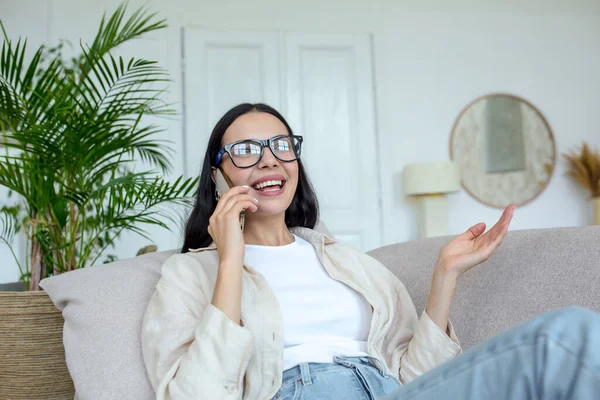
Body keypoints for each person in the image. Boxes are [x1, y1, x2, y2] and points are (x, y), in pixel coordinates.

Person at [141, 103, 600, 400]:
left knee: (570, 335)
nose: (268, 159)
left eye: (281, 145)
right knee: (557, 340)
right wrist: (229, 261)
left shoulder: (349, 263)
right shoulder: (189, 275)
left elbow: (416, 377)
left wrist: (445, 276)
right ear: (218, 175)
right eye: (245, 150)